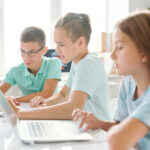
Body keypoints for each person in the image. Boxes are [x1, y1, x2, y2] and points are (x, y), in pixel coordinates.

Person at [8, 13, 111, 120]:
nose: (56, 50)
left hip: (98, 133)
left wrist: (21, 113)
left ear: (80, 42)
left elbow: (74, 107)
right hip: (85, 128)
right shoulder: (77, 63)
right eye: (56, 44)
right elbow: (63, 95)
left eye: (61, 44)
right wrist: (44, 103)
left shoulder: (88, 63)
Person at [72, 10, 150, 150]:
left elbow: (117, 140)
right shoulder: (128, 82)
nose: (112, 55)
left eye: (120, 47)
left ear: (143, 52)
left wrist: (118, 134)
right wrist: (99, 123)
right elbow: (120, 128)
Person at [0, 26, 62, 102]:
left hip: (49, 111)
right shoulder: (15, 71)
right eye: (22, 51)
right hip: (24, 112)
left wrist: (14, 100)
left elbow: (46, 94)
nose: (26, 58)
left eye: (31, 52)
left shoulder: (54, 63)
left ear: (44, 50)